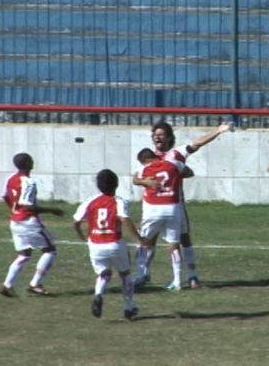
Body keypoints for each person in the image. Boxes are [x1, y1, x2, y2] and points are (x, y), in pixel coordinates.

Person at [132, 121, 234, 289]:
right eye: (155, 135)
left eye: (161, 134)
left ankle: (192, 276)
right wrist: (145, 182)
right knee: (150, 240)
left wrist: (218, 130)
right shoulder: (147, 156)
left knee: (183, 239)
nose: (157, 137)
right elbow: (137, 178)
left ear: (169, 137)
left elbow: (197, 143)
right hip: (152, 205)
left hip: (174, 203)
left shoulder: (176, 153)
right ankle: (144, 274)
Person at [72, 169, 145, 320]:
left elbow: (76, 221)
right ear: (116, 184)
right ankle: (129, 307)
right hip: (114, 243)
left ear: (98, 185)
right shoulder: (119, 201)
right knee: (125, 274)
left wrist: (82, 235)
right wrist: (139, 239)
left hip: (95, 244)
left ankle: (98, 294)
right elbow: (124, 219)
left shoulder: (90, 201)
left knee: (103, 274)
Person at [0, 152, 64, 297]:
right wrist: (52, 210)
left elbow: (5, 196)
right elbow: (27, 206)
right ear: (27, 163)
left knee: (24, 254)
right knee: (50, 250)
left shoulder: (10, 178)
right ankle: (35, 283)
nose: (33, 161)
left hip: (15, 221)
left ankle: (7, 285)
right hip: (28, 221)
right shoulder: (28, 182)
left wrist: (13, 211)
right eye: (31, 159)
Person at [134, 147, 187, 291]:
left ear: (145, 160)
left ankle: (141, 275)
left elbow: (135, 179)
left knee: (142, 241)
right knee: (173, 244)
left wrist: (145, 182)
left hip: (153, 208)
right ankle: (177, 280)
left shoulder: (144, 169)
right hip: (172, 207)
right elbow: (189, 173)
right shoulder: (175, 164)